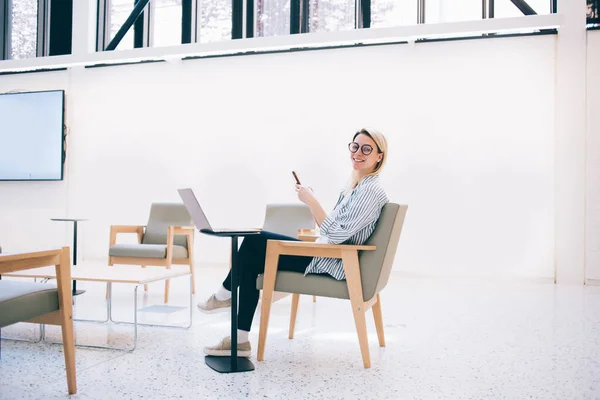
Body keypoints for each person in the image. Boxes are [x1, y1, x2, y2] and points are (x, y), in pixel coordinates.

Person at [199, 128, 390, 357]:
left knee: (254, 241)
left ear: (379, 156)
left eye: (367, 149)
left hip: (332, 261)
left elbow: (338, 236)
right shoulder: (354, 188)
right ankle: (239, 339)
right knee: (252, 255)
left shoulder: (371, 191)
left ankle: (223, 296)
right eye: (355, 146)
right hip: (325, 253)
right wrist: (313, 204)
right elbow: (335, 229)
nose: (358, 152)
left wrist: (312, 202)